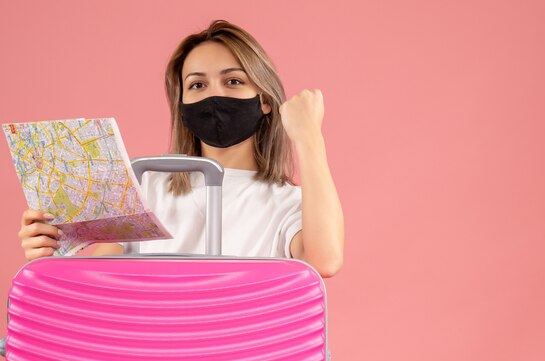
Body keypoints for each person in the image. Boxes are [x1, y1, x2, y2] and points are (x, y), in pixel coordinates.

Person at [17, 20, 344, 278]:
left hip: (241, 360)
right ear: (183, 106)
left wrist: (309, 137)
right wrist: (49, 255)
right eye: (197, 85)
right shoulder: (145, 189)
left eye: (233, 81)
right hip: (151, 358)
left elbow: (324, 260)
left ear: (265, 101)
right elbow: (98, 284)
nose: (214, 97)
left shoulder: (287, 202)